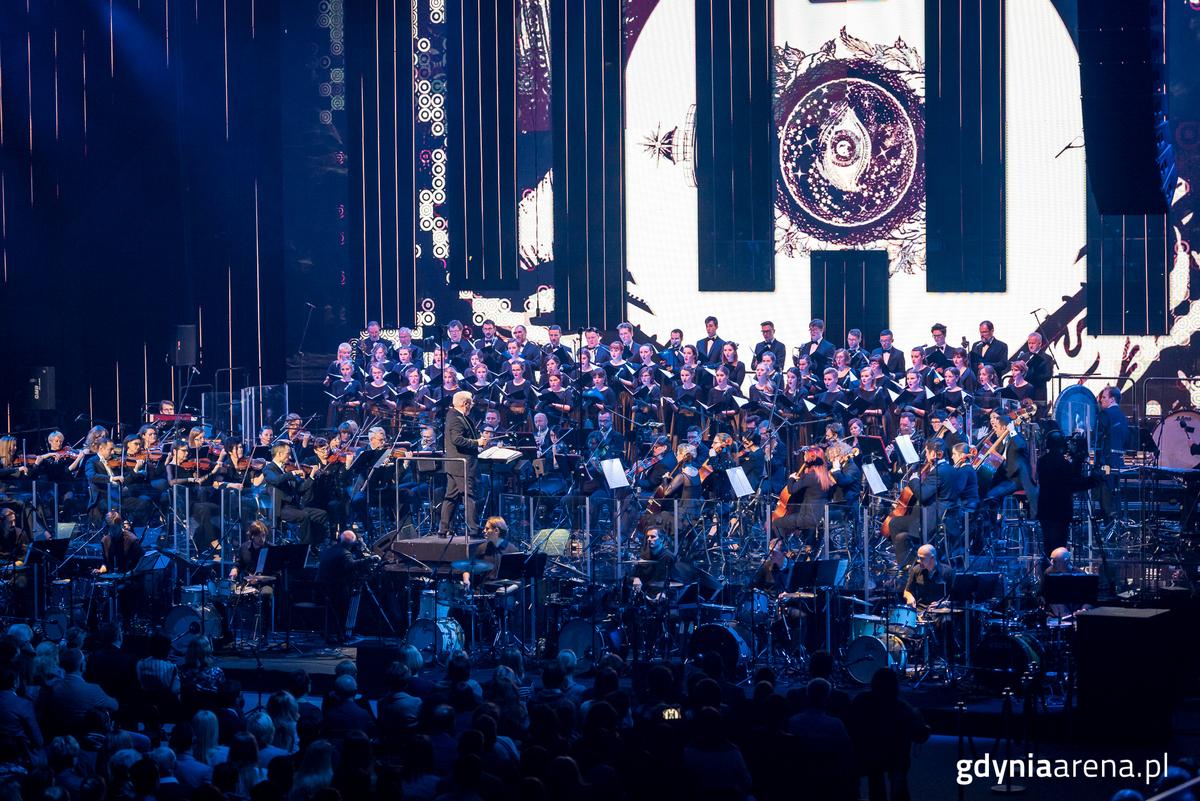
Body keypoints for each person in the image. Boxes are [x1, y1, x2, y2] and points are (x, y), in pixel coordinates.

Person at [850, 667, 931, 801]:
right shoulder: (901, 708)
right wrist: (926, 727)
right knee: (897, 768)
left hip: (864, 755)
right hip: (894, 758)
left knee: (874, 770)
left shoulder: (861, 700)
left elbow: (850, 724)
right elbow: (920, 736)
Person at [1036, 430, 1098, 557]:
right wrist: (1094, 479)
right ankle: (1058, 574)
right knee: (1059, 548)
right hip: (1060, 511)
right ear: (1061, 445)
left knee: (1048, 548)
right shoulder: (1063, 464)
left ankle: (1047, 573)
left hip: (1045, 510)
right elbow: (1073, 485)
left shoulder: (1042, 461)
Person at [316, 530, 381, 645]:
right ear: (354, 544)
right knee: (344, 605)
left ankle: (335, 633)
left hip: (320, 588)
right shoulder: (344, 553)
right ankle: (341, 636)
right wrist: (370, 559)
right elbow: (351, 565)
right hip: (332, 590)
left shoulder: (330, 549)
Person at [439, 391, 489, 537]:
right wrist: (476, 442)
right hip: (462, 465)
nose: (472, 406)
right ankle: (474, 529)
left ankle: (443, 529)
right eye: (471, 403)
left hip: (455, 464)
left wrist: (476, 444)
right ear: (465, 404)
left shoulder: (455, 415)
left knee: (451, 497)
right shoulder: (456, 418)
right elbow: (457, 440)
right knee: (469, 496)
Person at [261, 442, 329, 545]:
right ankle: (306, 548)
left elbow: (300, 490)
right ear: (279, 454)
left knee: (322, 514)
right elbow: (275, 480)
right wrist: (293, 473)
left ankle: (316, 544)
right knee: (304, 516)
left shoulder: (287, 468)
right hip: (281, 508)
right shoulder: (268, 468)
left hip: (294, 507)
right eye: (288, 453)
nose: (290, 456)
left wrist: (311, 477)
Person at [1096, 385, 1130, 522]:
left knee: (1106, 497)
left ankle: (1109, 526)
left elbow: (1097, 439)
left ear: (1112, 399)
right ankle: (1117, 524)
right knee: (1116, 496)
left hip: (1106, 462)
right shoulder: (1123, 417)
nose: (1101, 400)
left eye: (1103, 397)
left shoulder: (1105, 414)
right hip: (1119, 461)